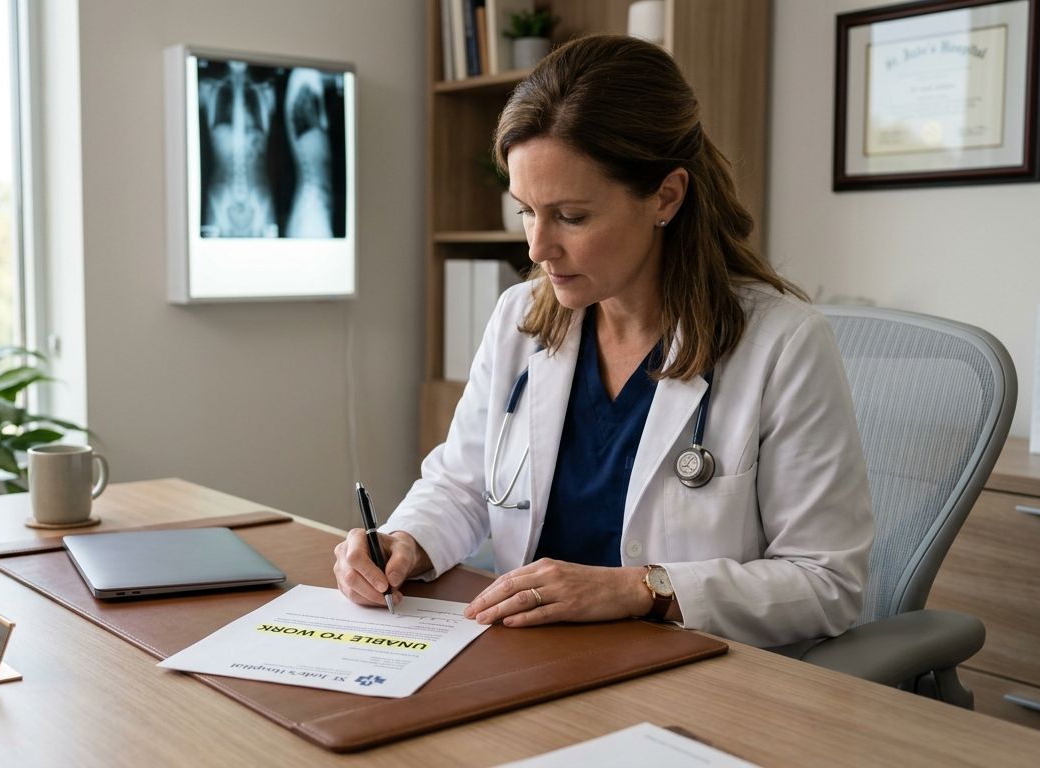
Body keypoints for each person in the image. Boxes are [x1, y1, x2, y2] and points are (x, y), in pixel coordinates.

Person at [333, 35, 874, 649]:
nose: (537, 248)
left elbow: (827, 581)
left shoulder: (782, 346)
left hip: (691, 675)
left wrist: (642, 589)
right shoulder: (521, 319)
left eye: (570, 216)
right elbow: (461, 486)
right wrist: (407, 542)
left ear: (665, 196)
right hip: (529, 656)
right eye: (525, 212)